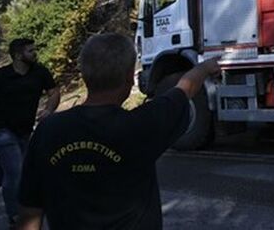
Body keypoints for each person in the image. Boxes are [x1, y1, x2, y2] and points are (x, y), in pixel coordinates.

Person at [16, 33, 221, 230]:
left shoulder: (48, 131)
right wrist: (204, 68)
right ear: (128, 79)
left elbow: (30, 213)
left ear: (85, 75)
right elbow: (184, 89)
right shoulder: (142, 125)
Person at [0, 38, 59, 227]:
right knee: (15, 171)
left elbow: (54, 92)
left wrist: (49, 109)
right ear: (17, 55)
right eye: (30, 51)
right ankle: (15, 217)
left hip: (23, 132)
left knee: (4, 170)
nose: (35, 53)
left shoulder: (40, 73)